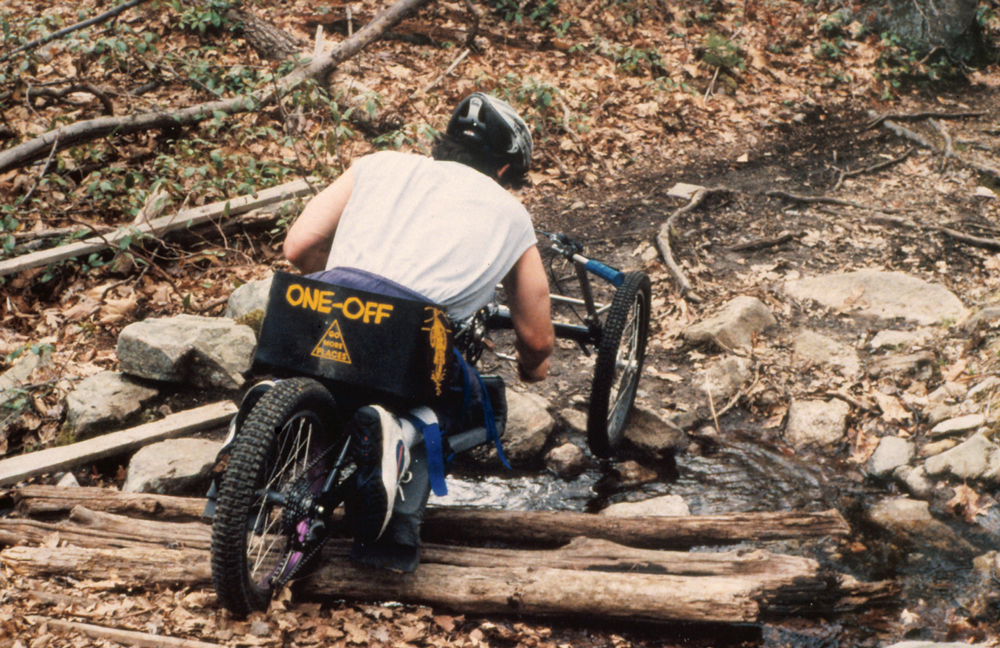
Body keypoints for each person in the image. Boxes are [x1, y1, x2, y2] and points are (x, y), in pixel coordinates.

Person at [282, 92, 555, 571]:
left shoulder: (377, 164)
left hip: (318, 306)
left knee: (320, 379)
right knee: (475, 404)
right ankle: (399, 441)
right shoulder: (512, 214)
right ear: (507, 170)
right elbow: (536, 339)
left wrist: (346, 288)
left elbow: (298, 247)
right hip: (410, 336)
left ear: (444, 143)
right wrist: (533, 370)